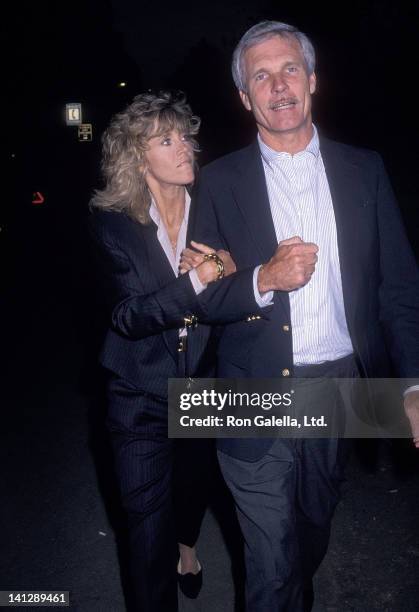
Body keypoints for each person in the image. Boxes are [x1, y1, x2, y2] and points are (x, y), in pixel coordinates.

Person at [181, 20, 419, 612]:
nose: (278, 85)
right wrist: (261, 278)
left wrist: (412, 382)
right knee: (269, 556)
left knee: (311, 529)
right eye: (261, 76)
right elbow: (203, 300)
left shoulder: (366, 170)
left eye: (290, 69)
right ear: (245, 97)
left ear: (313, 80)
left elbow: (400, 287)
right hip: (248, 387)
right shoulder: (217, 182)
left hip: (337, 385)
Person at [88, 91, 247, 611]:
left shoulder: (216, 209)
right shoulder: (113, 224)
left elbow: (244, 291)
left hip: (204, 383)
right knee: (145, 530)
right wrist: (200, 278)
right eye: (166, 139)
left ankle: (187, 545)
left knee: (195, 485)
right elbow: (128, 316)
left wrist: (228, 269)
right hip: (138, 392)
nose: (185, 148)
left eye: (186, 136)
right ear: (138, 157)